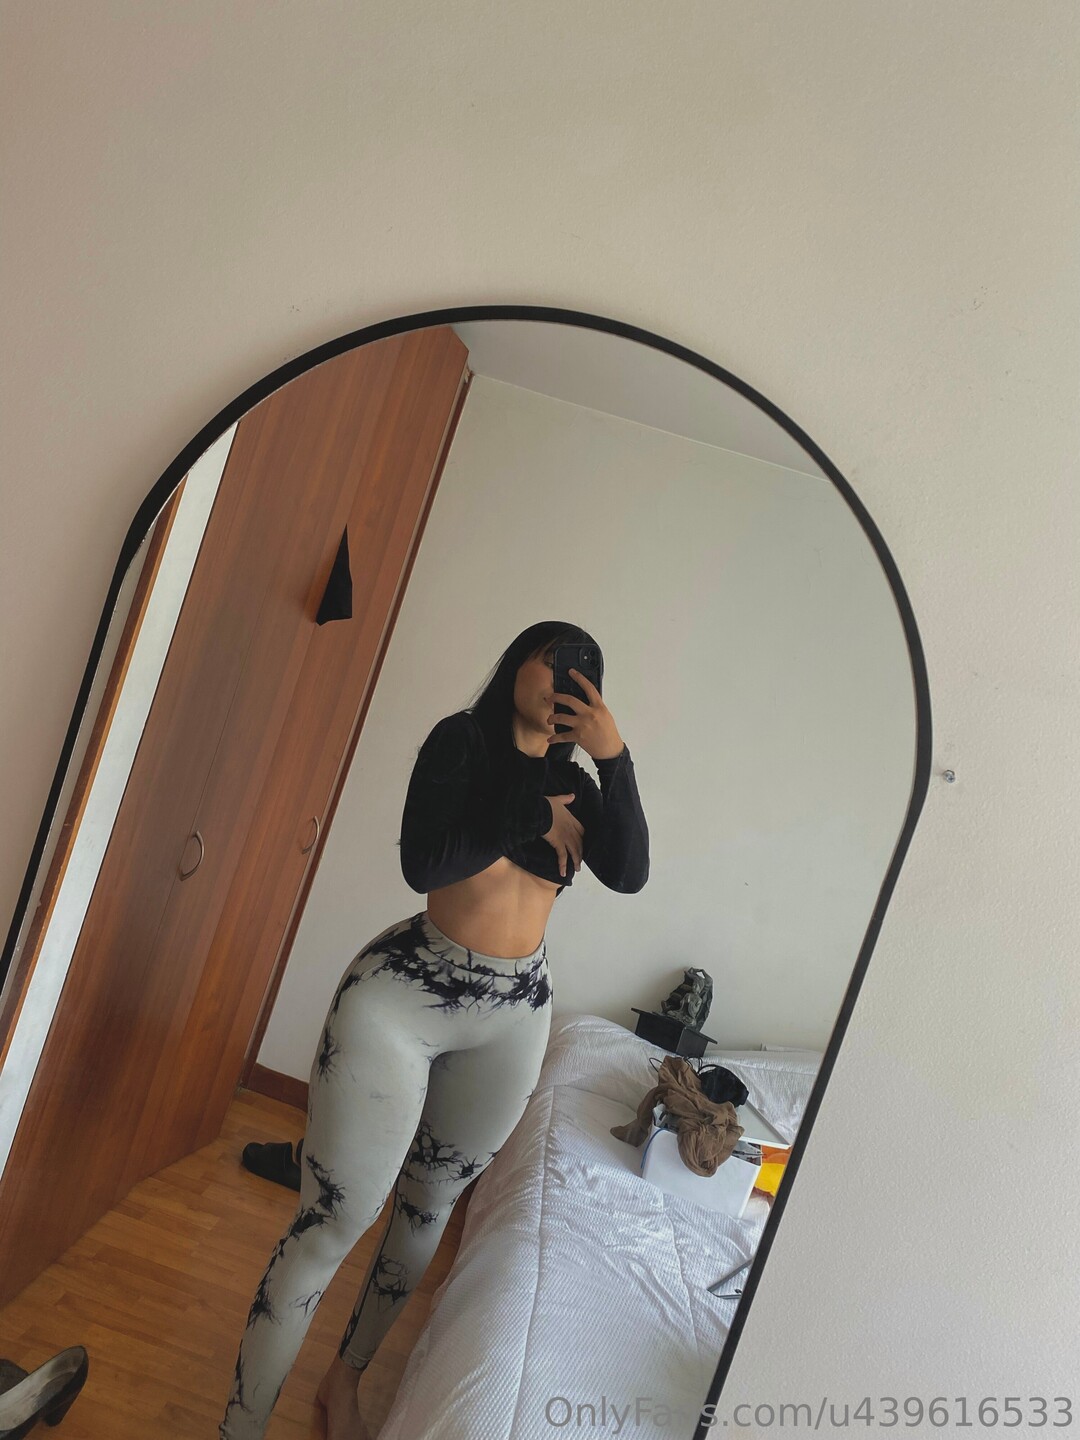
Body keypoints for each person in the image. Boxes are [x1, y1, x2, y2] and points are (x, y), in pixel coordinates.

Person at [219, 621, 649, 1440]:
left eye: (585, 672)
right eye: (553, 660)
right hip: (406, 996)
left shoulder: (578, 783)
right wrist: (531, 813)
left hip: (514, 1013)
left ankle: (343, 1382)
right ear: (518, 663)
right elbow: (426, 861)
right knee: (333, 1222)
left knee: (427, 1212)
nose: (566, 680)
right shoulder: (463, 744)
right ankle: (239, 1428)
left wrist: (615, 759)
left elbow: (628, 872)